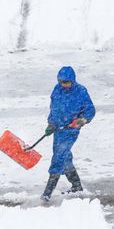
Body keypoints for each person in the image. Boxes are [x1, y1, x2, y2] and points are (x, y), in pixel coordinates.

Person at [41, 66, 95, 201]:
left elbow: (90, 109)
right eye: (61, 82)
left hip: (71, 130)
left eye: (66, 82)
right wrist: (51, 123)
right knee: (64, 158)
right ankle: (76, 185)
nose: (64, 85)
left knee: (58, 157)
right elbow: (53, 108)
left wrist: (82, 120)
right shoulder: (57, 89)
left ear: (73, 80)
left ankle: (47, 192)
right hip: (58, 129)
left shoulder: (80, 92)